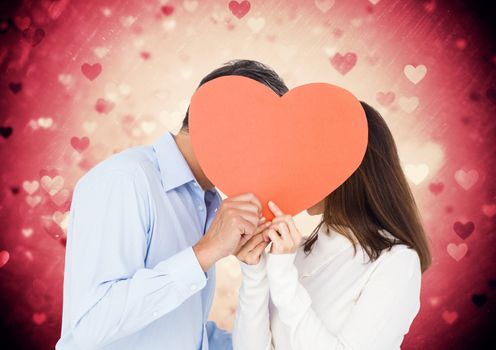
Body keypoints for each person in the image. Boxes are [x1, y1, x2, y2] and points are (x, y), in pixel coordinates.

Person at [55, 59, 289, 350]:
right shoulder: (124, 180)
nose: (267, 160)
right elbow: (89, 327)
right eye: (265, 141)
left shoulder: (207, 201)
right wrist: (205, 252)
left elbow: (180, 330)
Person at [233, 101, 433, 350]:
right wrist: (254, 273)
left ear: (345, 170)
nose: (292, 170)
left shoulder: (397, 262)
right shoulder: (294, 252)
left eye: (304, 158)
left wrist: (283, 277)